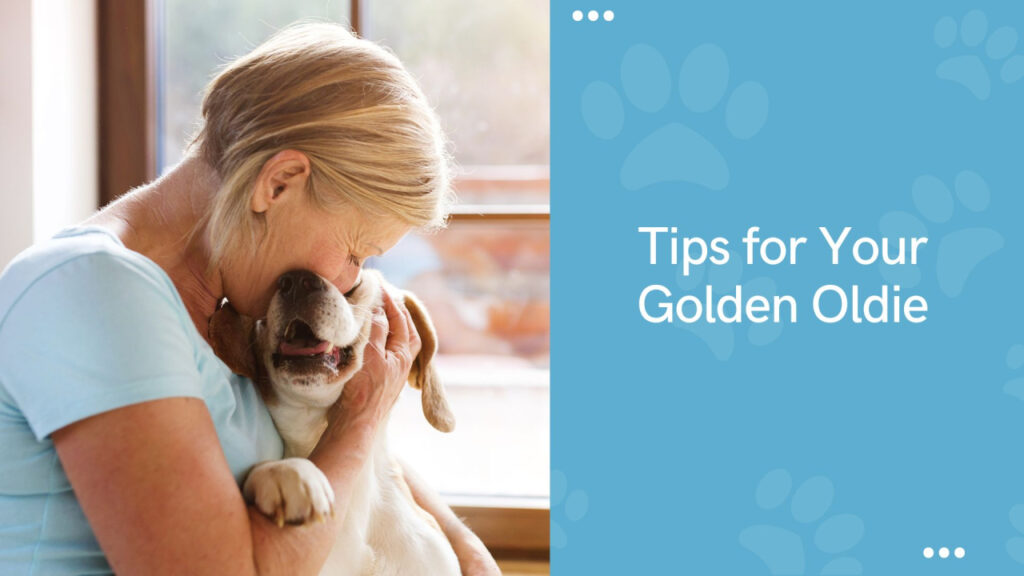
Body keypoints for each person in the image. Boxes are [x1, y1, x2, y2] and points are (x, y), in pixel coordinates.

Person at [0, 23, 500, 575]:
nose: (346, 281)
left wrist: (462, 544)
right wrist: (357, 421)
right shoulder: (97, 291)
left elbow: (324, 455)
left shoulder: (228, 311)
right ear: (279, 183)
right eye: (357, 252)